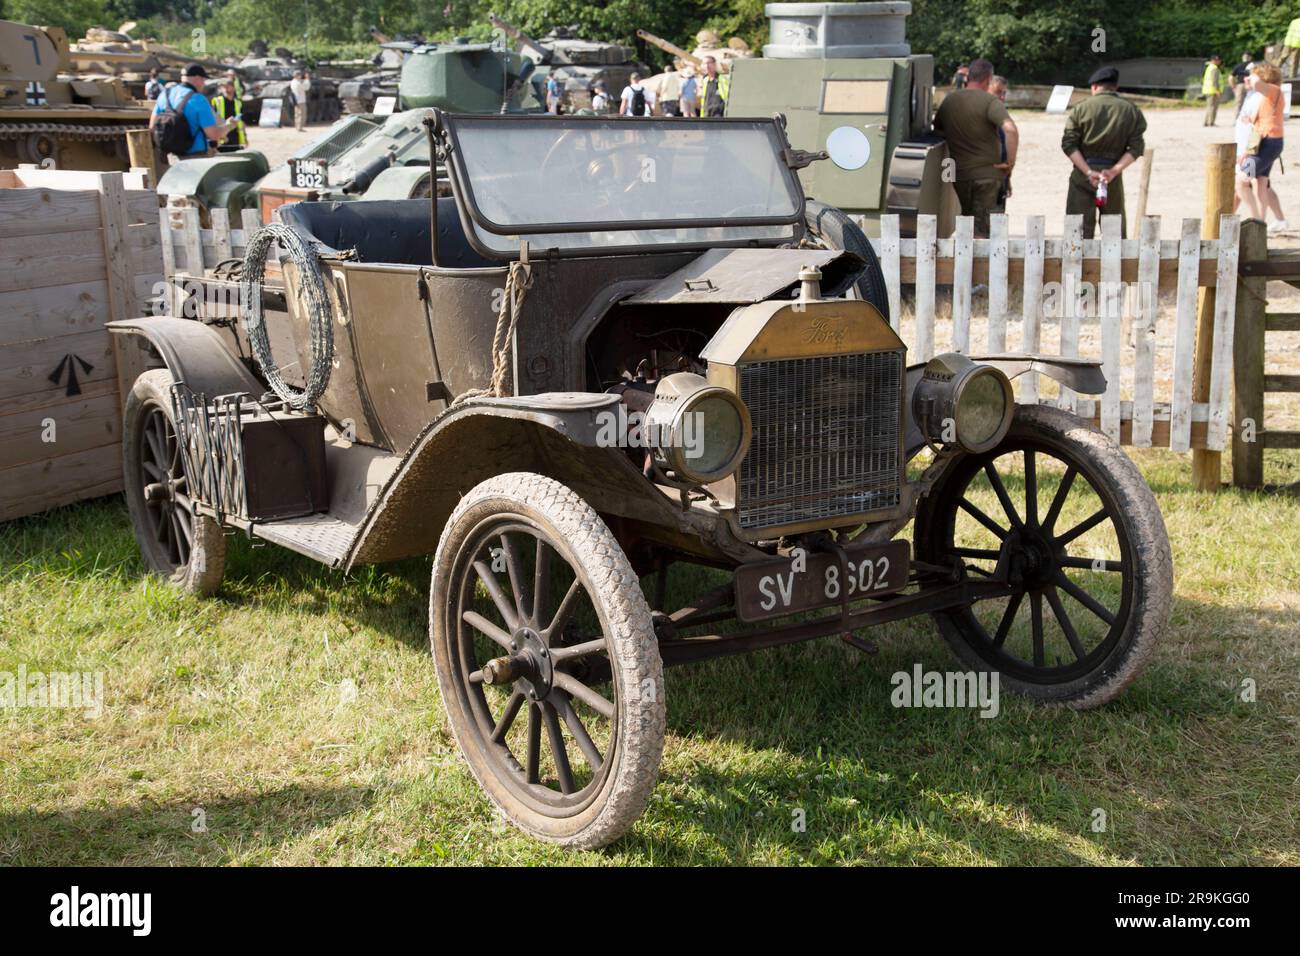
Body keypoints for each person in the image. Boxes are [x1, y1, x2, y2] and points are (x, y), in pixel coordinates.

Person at [932, 58, 1018, 237]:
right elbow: (1010, 130)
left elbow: (938, 130)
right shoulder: (989, 101)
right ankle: (981, 265)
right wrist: (1010, 163)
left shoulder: (949, 101)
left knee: (967, 223)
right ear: (988, 79)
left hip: (960, 176)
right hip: (987, 176)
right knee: (984, 231)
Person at [1060, 65, 1147, 239]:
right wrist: (1114, 171)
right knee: (1114, 231)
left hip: (1083, 174)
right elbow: (1136, 147)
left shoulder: (1081, 108)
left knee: (1078, 232)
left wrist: (1088, 171)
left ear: (1094, 87)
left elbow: (1069, 144)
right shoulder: (1131, 110)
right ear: (1115, 87)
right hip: (1111, 177)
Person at [1237, 62, 1288, 232]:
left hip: (1268, 143)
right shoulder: (1265, 96)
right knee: (1261, 183)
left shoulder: (1273, 90)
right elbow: (1257, 125)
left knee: (1241, 181)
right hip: (1265, 143)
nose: (1248, 79)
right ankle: (1261, 222)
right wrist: (1247, 151)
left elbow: (1258, 83)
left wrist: (1254, 74)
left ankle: (1256, 221)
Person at [148, 64, 235, 159]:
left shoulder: (165, 95)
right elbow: (214, 135)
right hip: (195, 157)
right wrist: (229, 126)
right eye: (203, 80)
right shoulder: (198, 99)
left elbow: (152, 127)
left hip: (172, 157)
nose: (204, 84)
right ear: (197, 78)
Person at [1232, 72, 1262, 214]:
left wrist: (1247, 151)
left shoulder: (1259, 98)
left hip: (1250, 152)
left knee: (1245, 184)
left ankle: (1257, 220)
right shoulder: (1250, 95)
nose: (1245, 79)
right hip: (1242, 150)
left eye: (1249, 76)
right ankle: (1226, 220)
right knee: (1239, 187)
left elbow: (1257, 129)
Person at [990, 75, 1012, 212]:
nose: (1002, 97)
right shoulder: (980, 115)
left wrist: (1007, 180)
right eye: (998, 92)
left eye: (1004, 93)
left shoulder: (1001, 116)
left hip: (999, 181)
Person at [211, 80, 246, 147]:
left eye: (227, 87)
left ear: (233, 88)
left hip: (236, 138)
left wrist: (245, 137)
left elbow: (242, 121)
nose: (225, 89)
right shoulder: (217, 101)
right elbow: (213, 121)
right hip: (223, 138)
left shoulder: (238, 103)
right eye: (223, 87)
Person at [1202, 54, 1224, 126]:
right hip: (1213, 91)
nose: (1219, 61)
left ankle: (1206, 122)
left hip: (1208, 90)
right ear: (1214, 60)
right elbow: (1214, 80)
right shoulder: (1214, 68)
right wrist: (1217, 90)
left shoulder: (1209, 67)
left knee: (1209, 106)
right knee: (1213, 107)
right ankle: (1211, 122)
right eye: (1218, 60)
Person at [1231, 52, 1253, 116]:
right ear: (1250, 57)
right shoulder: (1253, 65)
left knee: (1239, 104)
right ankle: (1249, 119)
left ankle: (1237, 120)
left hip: (1240, 86)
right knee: (1250, 103)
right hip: (1250, 85)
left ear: (1242, 57)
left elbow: (1231, 78)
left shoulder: (1238, 66)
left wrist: (1233, 87)